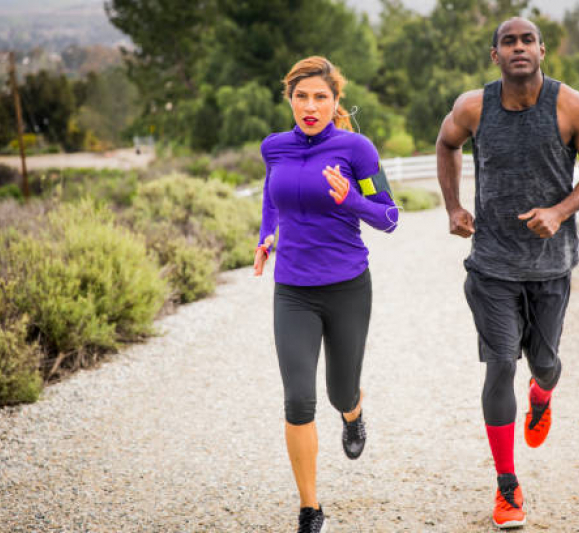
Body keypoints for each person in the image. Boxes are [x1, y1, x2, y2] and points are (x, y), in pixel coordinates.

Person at [436, 17, 579, 529]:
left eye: (526, 40)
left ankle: (543, 394)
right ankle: (507, 486)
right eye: (508, 41)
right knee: (499, 367)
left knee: (545, 365)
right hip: (490, 266)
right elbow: (447, 144)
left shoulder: (573, 107)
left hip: (551, 268)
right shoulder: (474, 107)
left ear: (541, 50)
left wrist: (558, 212)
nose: (518, 48)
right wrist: (453, 207)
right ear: (495, 55)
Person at [254, 56, 399, 533]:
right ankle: (310, 508)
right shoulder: (274, 147)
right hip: (292, 291)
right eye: (301, 97)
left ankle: (353, 413)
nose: (310, 106)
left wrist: (351, 200)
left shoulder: (355, 148)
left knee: (339, 391)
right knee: (298, 400)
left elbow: (389, 218)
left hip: (346, 288)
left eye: (320, 97)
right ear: (289, 100)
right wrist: (266, 237)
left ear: (336, 101)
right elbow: (271, 200)